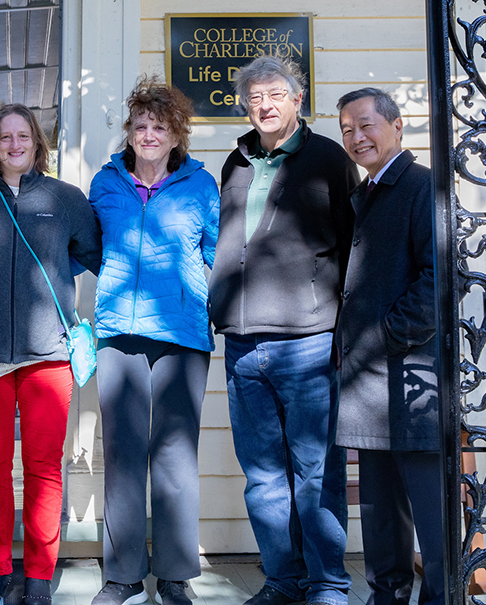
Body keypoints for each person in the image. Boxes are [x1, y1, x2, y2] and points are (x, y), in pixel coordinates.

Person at [208, 57, 358, 605]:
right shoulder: (237, 160)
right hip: (243, 344)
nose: (265, 105)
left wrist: (344, 328)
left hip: (309, 341)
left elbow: (353, 246)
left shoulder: (328, 161)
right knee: (263, 477)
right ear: (245, 105)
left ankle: (327, 584)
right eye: (255, 97)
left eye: (276, 94)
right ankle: (283, 580)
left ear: (298, 100)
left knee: (317, 471)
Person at [0, 104, 102, 605]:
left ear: (37, 143)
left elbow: (90, 250)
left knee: (43, 468)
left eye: (23, 136)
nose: (14, 144)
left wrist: (56, 281)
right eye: (4, 137)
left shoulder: (65, 199)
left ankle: (39, 575)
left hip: (48, 355)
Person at [87, 78, 218, 605]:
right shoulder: (106, 183)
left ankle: (173, 576)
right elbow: (91, 246)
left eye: (159, 126)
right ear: (130, 131)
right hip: (119, 333)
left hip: (182, 337)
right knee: (122, 455)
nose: (148, 134)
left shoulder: (200, 186)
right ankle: (121, 576)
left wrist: (188, 292)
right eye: (140, 125)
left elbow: (214, 251)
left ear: (175, 133)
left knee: (175, 456)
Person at [334, 88, 442, 605]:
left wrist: (381, 338)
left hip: (411, 378)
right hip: (368, 386)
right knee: (380, 514)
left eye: (367, 124)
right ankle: (387, 597)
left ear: (397, 127)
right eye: (347, 130)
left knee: (431, 513)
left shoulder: (421, 186)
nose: (358, 137)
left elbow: (438, 281)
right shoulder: (368, 192)